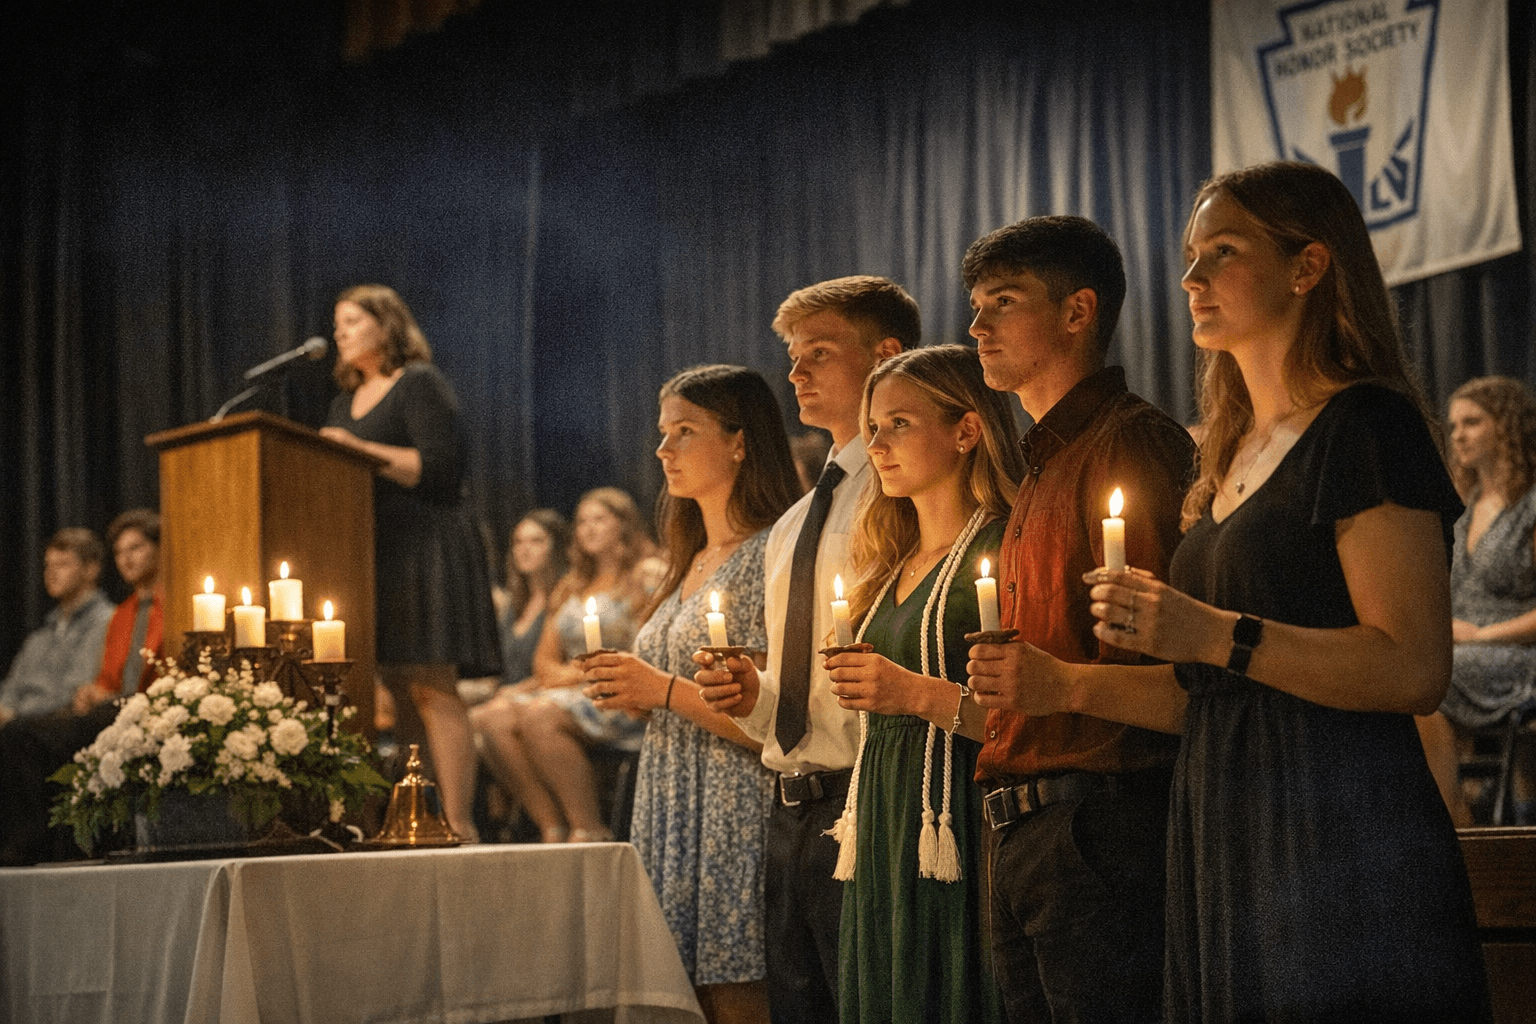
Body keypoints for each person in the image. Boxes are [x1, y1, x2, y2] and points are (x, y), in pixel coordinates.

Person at [971, 162, 1491, 1021]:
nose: (1192, 278)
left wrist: (1214, 633)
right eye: (1188, 256)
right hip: (1222, 811)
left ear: (1308, 266)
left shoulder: (1365, 426)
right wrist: (1067, 682)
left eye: (1222, 252)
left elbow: (1412, 667)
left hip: (1332, 815)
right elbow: (1201, 689)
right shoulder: (1229, 454)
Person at [948, 215, 1195, 1023]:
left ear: (1078, 311)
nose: (976, 327)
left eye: (1002, 302)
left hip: (1101, 823)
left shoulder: (1129, 447)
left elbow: (1180, 670)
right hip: (1022, 824)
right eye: (974, 306)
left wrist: (1056, 685)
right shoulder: (1043, 462)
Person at [695, 275, 916, 1024]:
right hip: (788, 805)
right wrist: (753, 695)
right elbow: (801, 686)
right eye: (792, 356)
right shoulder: (793, 521)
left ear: (886, 355)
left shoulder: (905, 495)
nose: (796, 373)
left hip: (869, 798)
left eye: (819, 353)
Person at [582, 364, 800, 1024]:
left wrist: (663, 688)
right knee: (672, 991)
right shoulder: (690, 557)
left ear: (739, 441)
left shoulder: (769, 553)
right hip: (669, 795)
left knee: (733, 993)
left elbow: (768, 722)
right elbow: (670, 691)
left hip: (734, 802)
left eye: (684, 431)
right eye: (661, 433)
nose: (662, 450)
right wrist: (635, 694)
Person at [821, 345, 1017, 1024]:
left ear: (966, 430)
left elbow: (1027, 717)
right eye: (871, 427)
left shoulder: (1001, 546)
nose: (876, 444)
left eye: (899, 424)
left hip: (959, 813)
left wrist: (911, 693)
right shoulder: (889, 563)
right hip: (885, 808)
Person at [320, 284, 502, 842]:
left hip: (429, 545)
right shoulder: (340, 403)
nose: (340, 332)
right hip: (378, 553)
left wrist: (357, 451)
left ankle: (461, 823)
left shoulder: (419, 384)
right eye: (338, 323)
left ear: (387, 325)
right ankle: (416, 818)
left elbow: (442, 468)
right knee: (397, 689)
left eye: (352, 320)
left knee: (432, 683)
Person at [485, 487, 658, 843]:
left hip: (621, 695)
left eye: (599, 519)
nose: (588, 528)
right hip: (570, 690)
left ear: (623, 525)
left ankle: (589, 826)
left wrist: (592, 672)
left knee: (540, 714)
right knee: (492, 718)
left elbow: (650, 647)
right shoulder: (571, 585)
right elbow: (544, 663)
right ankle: (551, 823)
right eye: (581, 521)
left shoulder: (643, 577)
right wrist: (581, 672)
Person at [0, 509, 165, 864]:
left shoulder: (163, 606)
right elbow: (105, 678)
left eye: (135, 548)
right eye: (120, 551)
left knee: (21, 735)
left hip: (143, 709)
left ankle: (28, 846)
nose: (127, 558)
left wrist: (96, 693)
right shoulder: (123, 614)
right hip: (106, 707)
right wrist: (94, 691)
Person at [1418, 376, 1536, 825]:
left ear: (1506, 426)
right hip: (1464, 648)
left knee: (1431, 673)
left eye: (1472, 422)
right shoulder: (1465, 504)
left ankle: (1458, 821)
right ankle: (1457, 809)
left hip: (1518, 653)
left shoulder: (1530, 506)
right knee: (1415, 665)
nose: (1458, 435)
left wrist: (1482, 634)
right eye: (1453, 426)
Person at [470, 509, 569, 833]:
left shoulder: (564, 596)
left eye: (536, 541)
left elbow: (558, 667)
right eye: (518, 542)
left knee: (483, 720)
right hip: (508, 691)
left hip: (547, 691)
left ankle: (543, 820)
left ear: (556, 546)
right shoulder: (513, 603)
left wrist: (513, 692)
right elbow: (501, 673)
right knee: (459, 711)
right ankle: (504, 819)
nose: (525, 549)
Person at [0, 529, 114, 726]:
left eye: (62, 564)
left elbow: (74, 692)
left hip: (62, 732)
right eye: (48, 565)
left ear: (91, 569)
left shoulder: (108, 620)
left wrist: (15, 717)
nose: (51, 573)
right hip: (21, 730)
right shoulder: (43, 633)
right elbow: (11, 689)